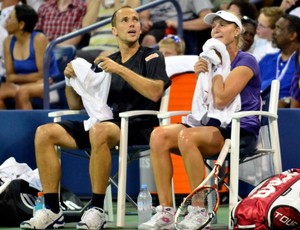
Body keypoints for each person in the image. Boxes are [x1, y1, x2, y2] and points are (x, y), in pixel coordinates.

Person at [20, 5, 171, 230]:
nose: (132, 24)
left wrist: (119, 69)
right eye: (125, 20)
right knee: (45, 133)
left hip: (138, 126)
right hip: (103, 125)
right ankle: (52, 210)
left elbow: (155, 92)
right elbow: (74, 104)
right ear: (113, 31)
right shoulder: (106, 61)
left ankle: (97, 209)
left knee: (100, 130)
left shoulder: (152, 56)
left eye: (136, 20)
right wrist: (70, 80)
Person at [140, 10, 261, 229]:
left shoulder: (246, 60)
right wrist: (202, 76)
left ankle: (199, 210)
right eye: (214, 25)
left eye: (223, 24)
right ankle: (166, 212)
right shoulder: (210, 61)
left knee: (187, 136)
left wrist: (213, 72)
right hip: (212, 128)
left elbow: (223, 98)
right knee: (159, 135)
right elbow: (207, 104)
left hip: (239, 130)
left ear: (236, 31)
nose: (216, 28)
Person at [0, 4, 59, 109]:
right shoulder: (8, 42)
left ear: (21, 24)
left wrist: (17, 79)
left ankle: (24, 125)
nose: (6, 22)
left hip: (48, 85)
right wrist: (30, 79)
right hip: (21, 85)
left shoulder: (39, 39)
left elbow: (42, 76)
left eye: (10, 18)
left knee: (22, 92)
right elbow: (10, 77)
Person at [259, 14, 300, 108]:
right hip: (258, 111)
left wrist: (287, 101)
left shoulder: (298, 62)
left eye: (279, 28)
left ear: (292, 35)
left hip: (287, 115)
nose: (273, 32)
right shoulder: (267, 60)